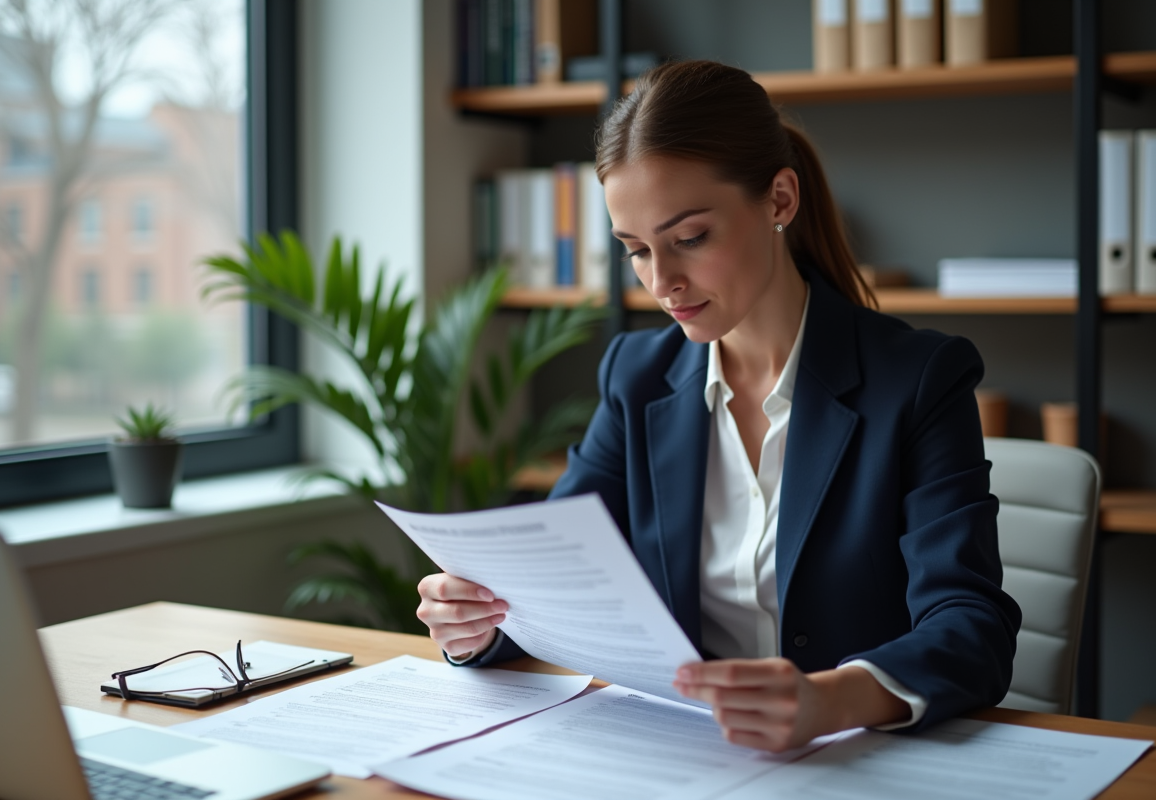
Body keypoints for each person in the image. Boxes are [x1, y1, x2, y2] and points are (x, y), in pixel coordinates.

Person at [416, 60, 1021, 753]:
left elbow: (971, 625)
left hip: (854, 758)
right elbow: (558, 574)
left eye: (690, 239)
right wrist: (480, 622)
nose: (662, 282)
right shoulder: (637, 376)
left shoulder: (916, 379)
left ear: (780, 201)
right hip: (685, 759)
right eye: (636, 251)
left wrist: (828, 700)